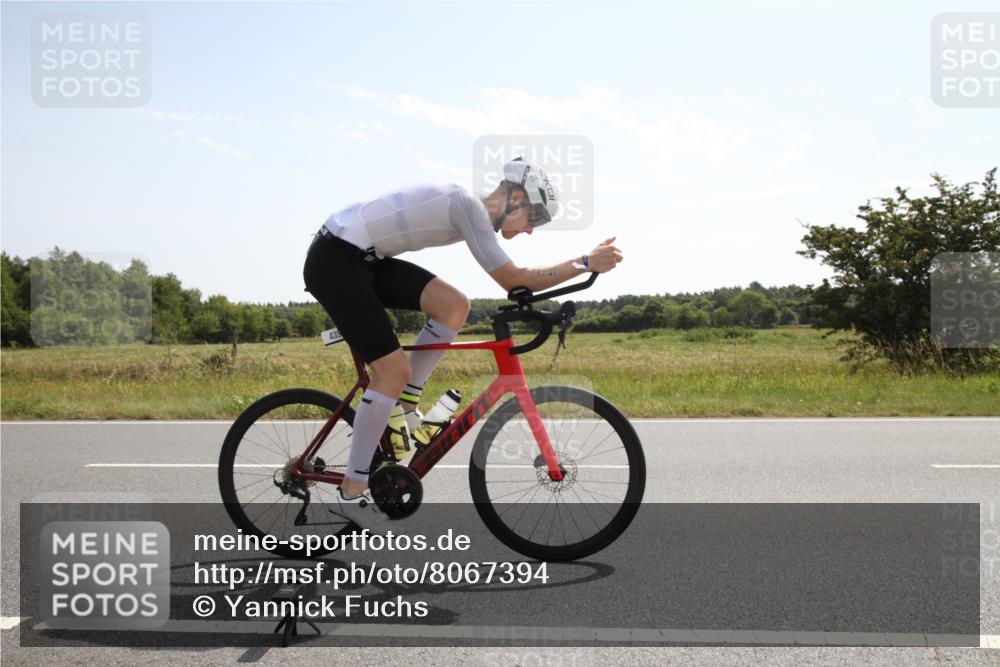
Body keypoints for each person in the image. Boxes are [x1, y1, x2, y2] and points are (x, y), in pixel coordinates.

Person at [302, 157, 623, 533]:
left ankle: (404, 410)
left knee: (454, 305)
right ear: (516, 197)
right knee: (391, 370)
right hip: (336, 259)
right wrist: (585, 262)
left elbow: (517, 284)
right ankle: (351, 492)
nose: (531, 231)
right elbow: (514, 279)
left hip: (365, 260)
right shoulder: (467, 204)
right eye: (533, 219)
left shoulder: (472, 211)